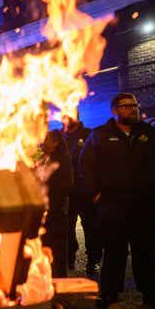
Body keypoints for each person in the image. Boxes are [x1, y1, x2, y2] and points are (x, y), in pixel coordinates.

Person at [80, 93, 155, 309]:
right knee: (114, 251)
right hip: (113, 205)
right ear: (115, 110)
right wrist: (95, 194)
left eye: (134, 105)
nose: (133, 109)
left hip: (146, 204)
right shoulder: (100, 135)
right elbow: (86, 166)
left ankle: (151, 294)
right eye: (126, 106)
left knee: (145, 252)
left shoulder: (149, 134)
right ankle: (109, 294)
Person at [62, 115, 100, 274]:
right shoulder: (58, 136)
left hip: (86, 191)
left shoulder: (89, 134)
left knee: (91, 228)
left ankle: (93, 261)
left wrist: (97, 189)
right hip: (66, 192)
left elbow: (98, 162)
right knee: (66, 228)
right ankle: (68, 258)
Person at [38, 130, 73, 278]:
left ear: (55, 142)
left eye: (46, 139)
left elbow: (65, 186)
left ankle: (60, 291)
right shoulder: (43, 159)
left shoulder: (62, 161)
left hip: (56, 215)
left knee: (57, 255)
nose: (42, 142)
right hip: (42, 215)